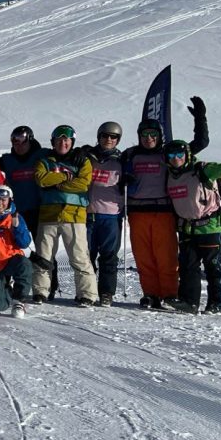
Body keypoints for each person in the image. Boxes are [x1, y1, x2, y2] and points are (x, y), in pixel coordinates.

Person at [122, 97, 210, 309]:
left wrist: (200, 119)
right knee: (143, 257)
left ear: (159, 136)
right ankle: (150, 294)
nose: (149, 138)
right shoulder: (130, 154)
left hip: (163, 212)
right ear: (139, 136)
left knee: (166, 257)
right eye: (145, 135)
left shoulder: (168, 153)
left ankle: (170, 294)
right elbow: (107, 163)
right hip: (137, 213)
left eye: (153, 134)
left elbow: (200, 144)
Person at [165, 135, 221, 314]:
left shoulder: (203, 170)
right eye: (171, 156)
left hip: (209, 227)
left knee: (212, 265)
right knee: (187, 266)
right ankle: (189, 302)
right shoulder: (170, 175)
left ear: (186, 155)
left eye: (179, 154)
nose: (176, 159)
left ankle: (216, 303)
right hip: (186, 228)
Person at [31, 125, 99, 306]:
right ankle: (40, 291)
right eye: (59, 140)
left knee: (79, 257)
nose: (63, 143)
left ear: (72, 142)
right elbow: (41, 179)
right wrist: (67, 177)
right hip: (48, 214)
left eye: (67, 140)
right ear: (53, 142)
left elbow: (83, 184)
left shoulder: (82, 161)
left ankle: (87, 294)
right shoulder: (45, 160)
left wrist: (58, 184)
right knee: (43, 256)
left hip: (74, 215)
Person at [0, 125, 50, 294]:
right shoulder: (8, 160)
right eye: (14, 141)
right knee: (10, 247)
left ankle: (46, 288)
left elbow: (63, 155)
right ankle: (4, 284)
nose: (18, 145)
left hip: (38, 210)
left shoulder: (42, 155)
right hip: (17, 212)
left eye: (21, 141)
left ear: (30, 140)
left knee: (43, 250)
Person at [84, 122, 125, 306]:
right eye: (105, 136)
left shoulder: (122, 160)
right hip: (89, 213)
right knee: (86, 255)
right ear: (99, 136)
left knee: (109, 255)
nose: (109, 139)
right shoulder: (87, 157)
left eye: (113, 137)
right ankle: (88, 291)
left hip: (111, 214)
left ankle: (107, 293)